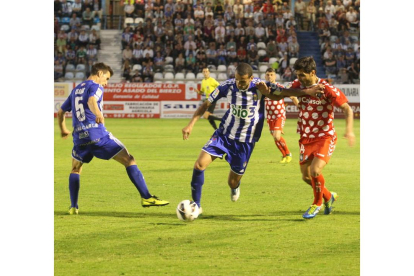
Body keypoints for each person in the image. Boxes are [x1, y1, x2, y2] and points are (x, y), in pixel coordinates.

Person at [181, 63, 324, 212]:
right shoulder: (227, 86)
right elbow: (206, 104)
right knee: (199, 165)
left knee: (232, 182)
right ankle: (196, 205)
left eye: (242, 81)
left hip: (245, 141)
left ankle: (235, 186)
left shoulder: (259, 86)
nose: (239, 84)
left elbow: (284, 92)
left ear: (251, 78)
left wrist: (308, 91)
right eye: (237, 80)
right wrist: (190, 125)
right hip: (223, 135)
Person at [57, 62, 169, 215]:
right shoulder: (96, 86)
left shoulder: (76, 89)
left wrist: (63, 128)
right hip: (97, 135)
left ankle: (73, 206)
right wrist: (98, 113)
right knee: (129, 159)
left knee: (76, 169)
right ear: (99, 74)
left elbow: (61, 111)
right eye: (107, 78)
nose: (106, 82)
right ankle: (146, 197)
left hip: (79, 139)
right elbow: (91, 101)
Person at [288, 56, 355, 219]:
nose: (299, 78)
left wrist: (349, 130)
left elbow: (347, 109)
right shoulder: (297, 85)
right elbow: (291, 93)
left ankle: (316, 203)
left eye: (302, 75)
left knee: (315, 170)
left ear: (312, 72)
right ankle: (328, 196)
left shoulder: (327, 89)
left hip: (324, 136)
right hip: (305, 137)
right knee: (306, 176)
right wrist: (297, 101)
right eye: (297, 75)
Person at [264, 68, 299, 163]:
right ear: (265, 76)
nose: (269, 76)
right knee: (275, 137)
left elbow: (292, 96)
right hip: (270, 117)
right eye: (268, 74)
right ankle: (284, 156)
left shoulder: (279, 87)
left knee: (277, 136)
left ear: (275, 76)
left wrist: (300, 108)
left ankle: (288, 154)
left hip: (279, 115)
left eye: (271, 74)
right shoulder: (263, 89)